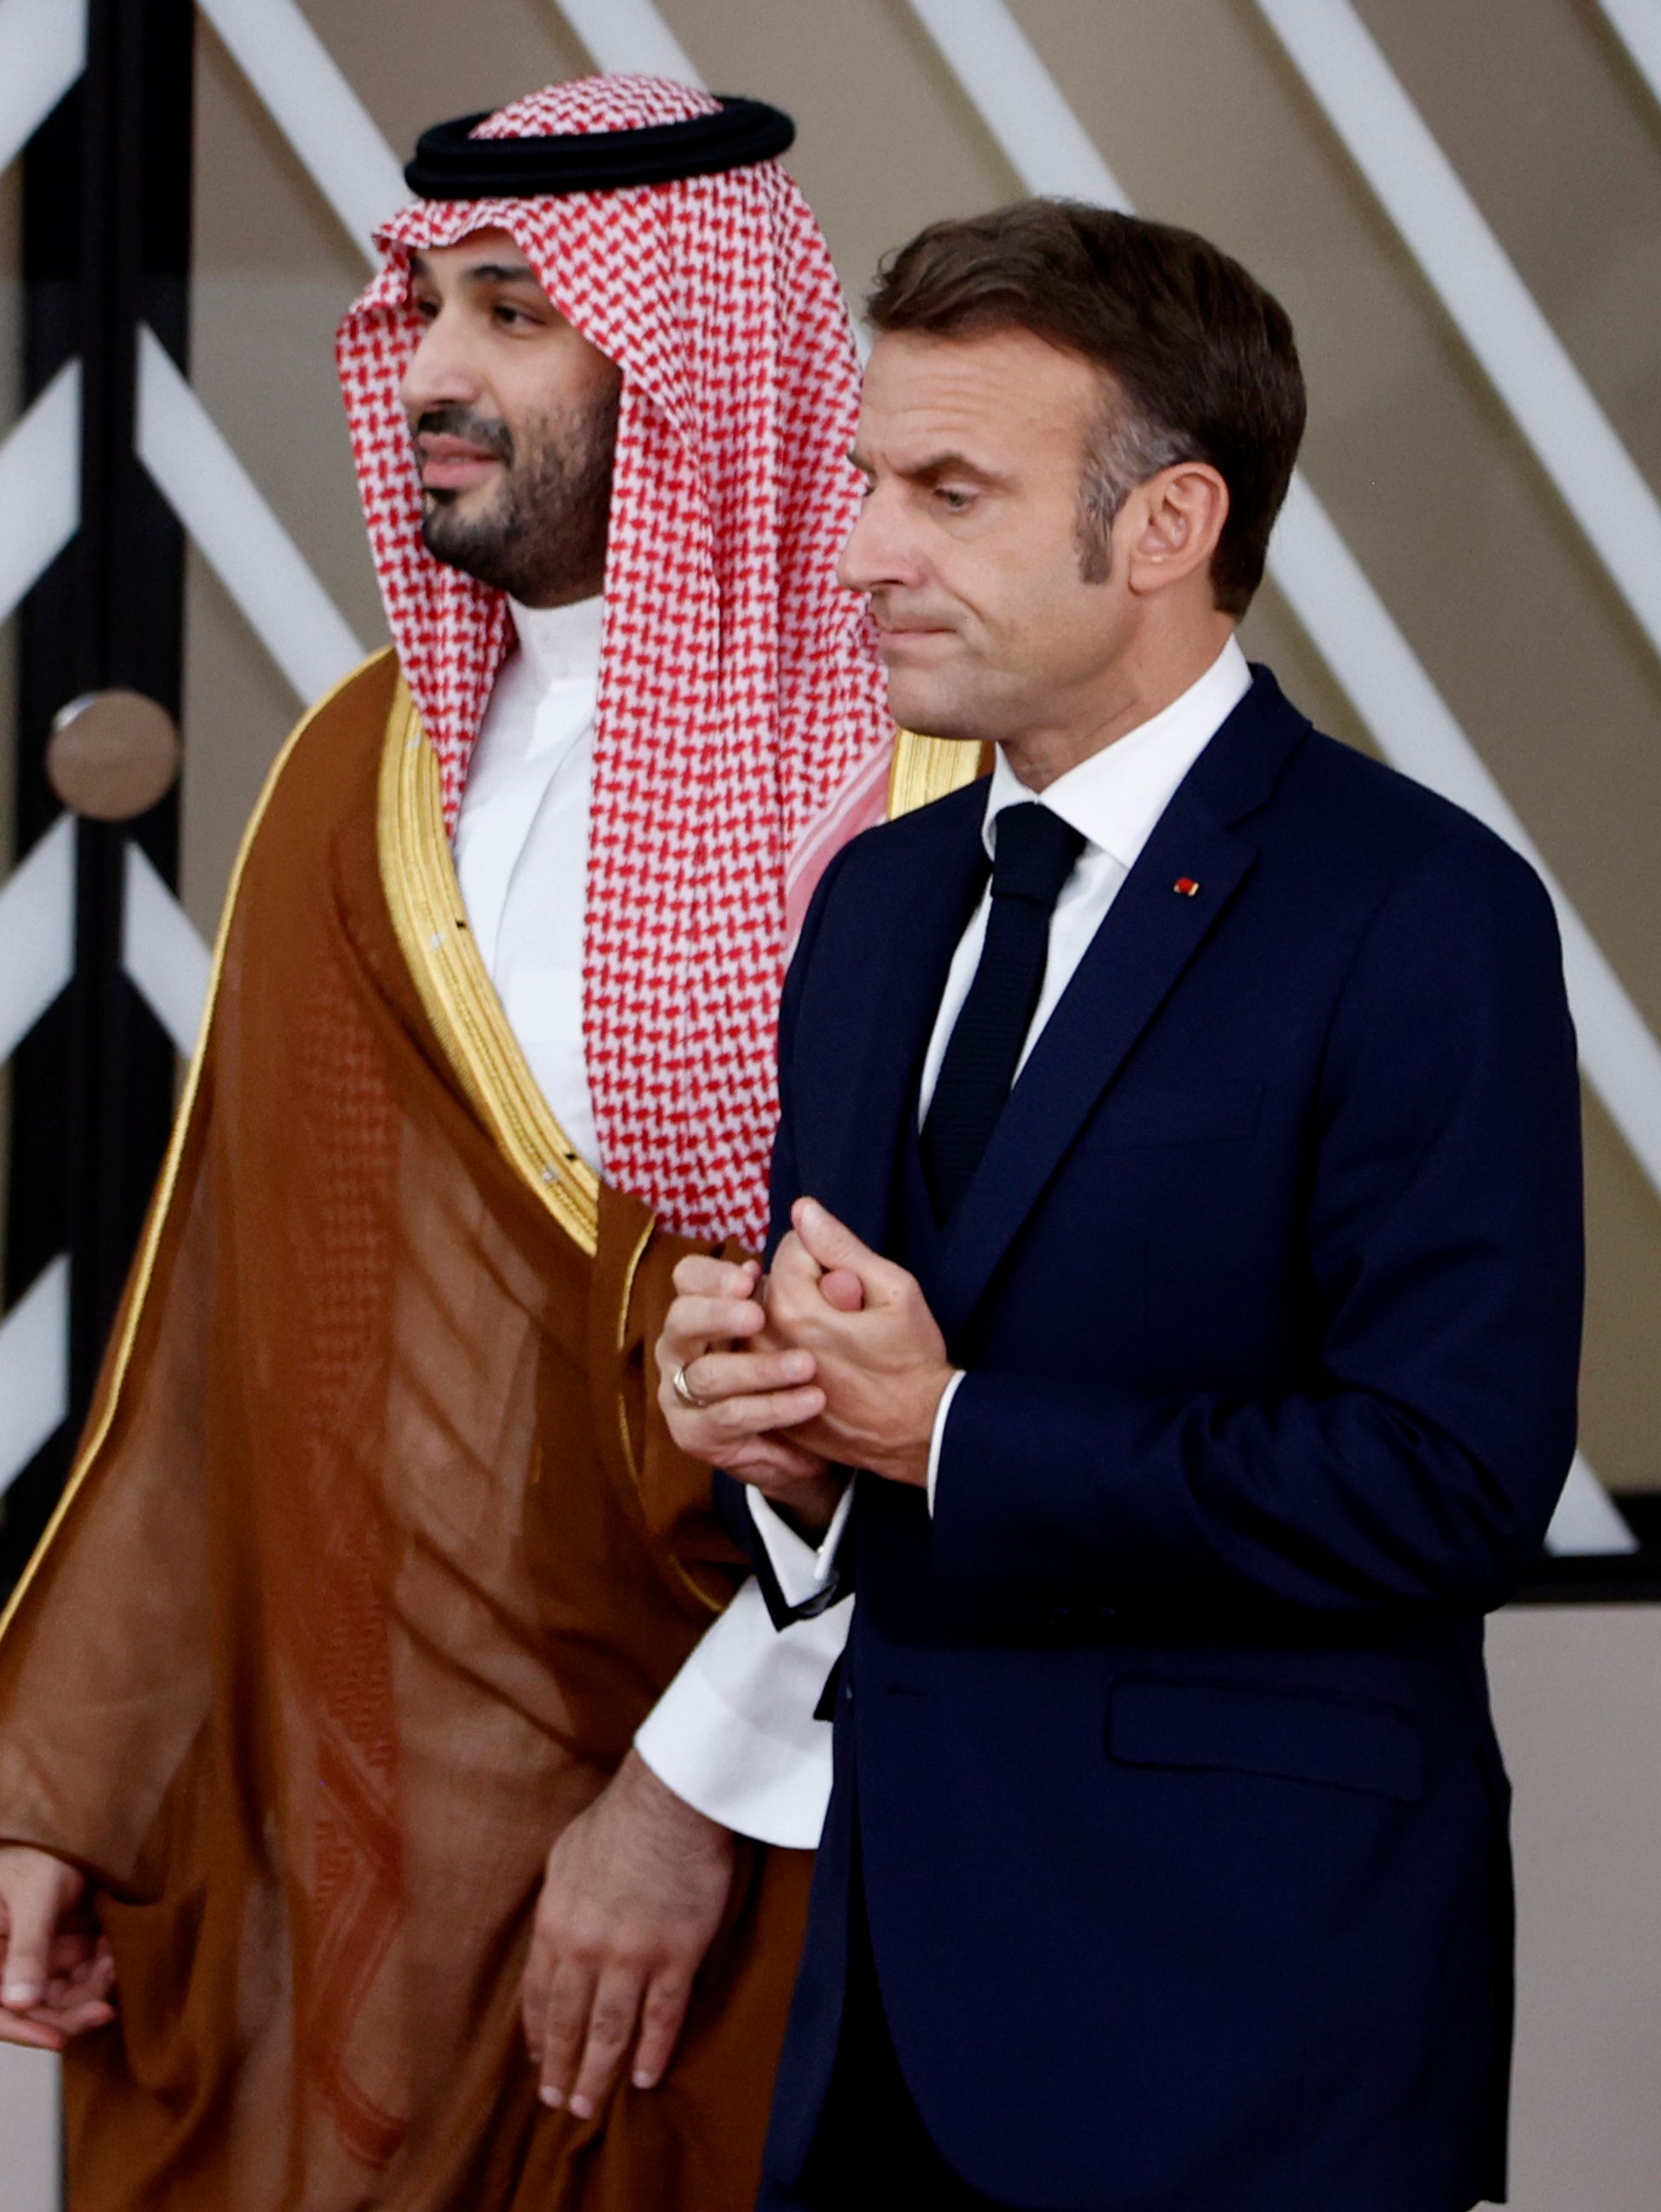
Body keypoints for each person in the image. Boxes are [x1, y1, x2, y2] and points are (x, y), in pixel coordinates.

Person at [0, 78, 941, 2209]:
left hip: (816, 1801)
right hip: (394, 1811)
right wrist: (83, 1784)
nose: (439, 376)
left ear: (683, 355)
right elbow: (233, 1327)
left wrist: (696, 1786)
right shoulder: (360, 764)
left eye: (516, 312)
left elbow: (974, 1373)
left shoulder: (923, 780)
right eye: (429, 311)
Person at [656, 200, 1581, 2210]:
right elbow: (872, 1422)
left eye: (949, 491)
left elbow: (1447, 1477)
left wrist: (950, 1426)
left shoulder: (1422, 912)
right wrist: (781, 1437)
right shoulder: (876, 904)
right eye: (865, 481)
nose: (861, 549)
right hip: (889, 2019)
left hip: (1260, 2031)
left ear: (1169, 527)